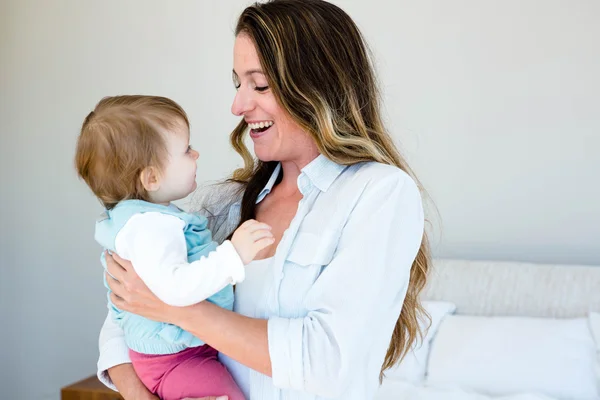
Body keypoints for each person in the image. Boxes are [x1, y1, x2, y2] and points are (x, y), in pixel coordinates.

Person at [98, 1, 431, 399]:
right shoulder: (220, 204)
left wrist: (175, 306)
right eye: (237, 83)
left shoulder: (379, 194)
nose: (238, 106)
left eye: (259, 85)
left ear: (317, 85)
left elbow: (326, 361)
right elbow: (125, 311)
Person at [76, 95, 274, 400]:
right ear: (151, 177)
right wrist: (233, 255)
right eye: (185, 150)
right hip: (176, 360)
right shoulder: (151, 228)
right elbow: (175, 290)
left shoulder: (140, 222)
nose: (195, 154)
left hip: (173, 355)